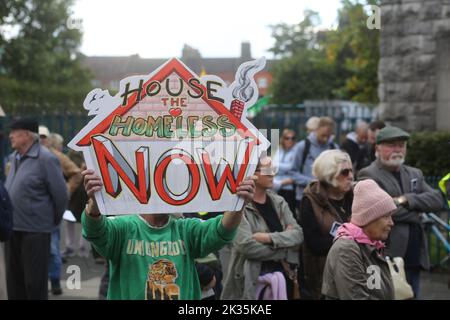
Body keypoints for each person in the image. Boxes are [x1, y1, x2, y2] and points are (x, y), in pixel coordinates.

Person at [82, 169, 255, 300]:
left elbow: (221, 231)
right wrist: (95, 203)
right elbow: (96, 231)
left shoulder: (185, 229)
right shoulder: (123, 227)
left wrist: (238, 203)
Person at [358, 126, 444, 298]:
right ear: (377, 148)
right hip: (387, 253)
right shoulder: (368, 174)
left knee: (413, 294)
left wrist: (406, 199)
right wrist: (417, 212)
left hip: (414, 252)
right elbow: (381, 211)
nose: (397, 149)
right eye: (391, 145)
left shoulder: (414, 173)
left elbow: (437, 200)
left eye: (401, 145)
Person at [221, 156, 303, 300]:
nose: (273, 174)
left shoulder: (279, 202)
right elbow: (245, 246)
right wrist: (284, 248)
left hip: (283, 280)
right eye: (267, 170)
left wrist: (268, 238)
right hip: (250, 283)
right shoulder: (238, 205)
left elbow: (298, 234)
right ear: (252, 173)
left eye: (273, 169)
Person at [5, 118, 68, 299]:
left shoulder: (46, 158)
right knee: (14, 282)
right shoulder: (14, 158)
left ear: (26, 135)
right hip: (12, 230)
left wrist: (50, 221)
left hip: (35, 232)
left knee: (34, 285)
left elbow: (61, 195)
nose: (10, 136)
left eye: (14, 132)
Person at [322, 179, 397, 300]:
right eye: (386, 216)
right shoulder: (346, 249)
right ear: (369, 218)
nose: (391, 223)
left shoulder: (372, 245)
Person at [298, 150, 354, 299]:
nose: (350, 176)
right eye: (344, 172)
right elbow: (314, 244)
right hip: (325, 278)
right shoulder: (310, 200)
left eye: (351, 171)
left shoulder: (355, 196)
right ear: (329, 174)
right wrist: (350, 236)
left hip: (356, 273)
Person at [292, 117, 337, 206]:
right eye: (323, 135)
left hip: (327, 199)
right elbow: (292, 173)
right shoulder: (303, 146)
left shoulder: (334, 148)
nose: (325, 139)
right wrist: (312, 182)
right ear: (317, 130)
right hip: (305, 197)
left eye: (328, 136)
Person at [272, 129, 297, 214]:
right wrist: (285, 167)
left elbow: (292, 167)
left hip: (289, 188)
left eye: (292, 138)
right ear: (283, 139)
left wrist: (278, 166)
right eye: (287, 138)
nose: (290, 140)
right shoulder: (279, 150)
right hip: (276, 186)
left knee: (288, 212)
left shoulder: (297, 151)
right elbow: (273, 166)